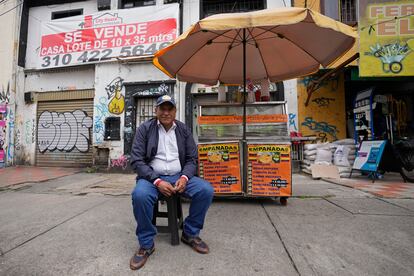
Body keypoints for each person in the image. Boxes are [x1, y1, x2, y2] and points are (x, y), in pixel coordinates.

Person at [129, 95, 214, 270]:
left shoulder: (183, 130)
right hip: (152, 178)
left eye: (170, 109)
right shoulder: (144, 129)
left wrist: (184, 177)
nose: (166, 112)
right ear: (156, 111)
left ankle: (190, 233)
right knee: (140, 195)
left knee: (205, 190)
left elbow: (192, 158)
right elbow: (136, 160)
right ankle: (146, 244)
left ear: (175, 111)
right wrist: (157, 181)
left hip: (178, 176)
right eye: (162, 108)